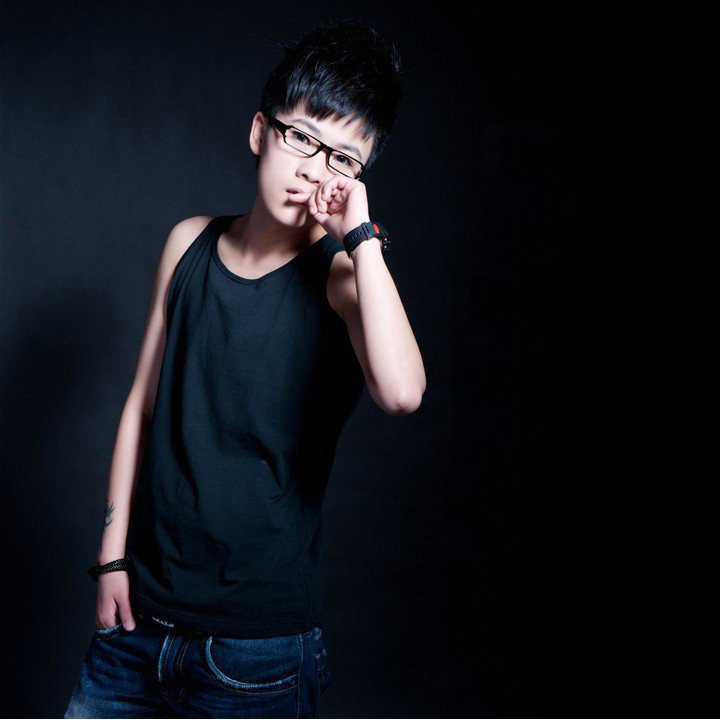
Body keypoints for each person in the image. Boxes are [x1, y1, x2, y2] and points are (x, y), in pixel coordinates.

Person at [64, 17, 425, 719]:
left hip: (258, 652)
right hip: (137, 627)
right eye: (302, 138)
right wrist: (111, 559)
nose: (315, 170)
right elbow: (141, 405)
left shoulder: (344, 278)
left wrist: (360, 238)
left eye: (343, 159)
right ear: (260, 131)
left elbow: (403, 393)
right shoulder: (187, 243)